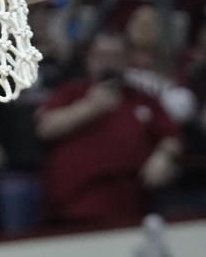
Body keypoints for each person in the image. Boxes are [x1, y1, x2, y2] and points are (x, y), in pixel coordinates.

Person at [36, 30, 183, 228]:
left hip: (132, 205)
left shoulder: (142, 98)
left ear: (127, 60)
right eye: (102, 55)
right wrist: (90, 107)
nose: (108, 62)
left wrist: (163, 156)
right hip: (75, 207)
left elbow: (171, 136)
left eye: (116, 56)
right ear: (89, 59)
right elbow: (46, 128)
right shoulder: (71, 92)